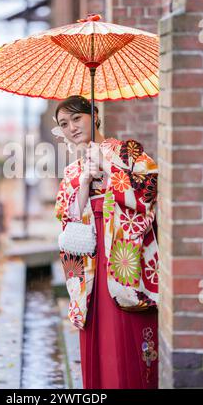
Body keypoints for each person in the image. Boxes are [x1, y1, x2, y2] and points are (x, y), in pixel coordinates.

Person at [53, 95, 159, 389]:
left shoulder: (128, 152)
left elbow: (150, 189)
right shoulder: (72, 170)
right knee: (96, 334)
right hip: (89, 260)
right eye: (64, 124)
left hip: (122, 257)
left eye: (77, 118)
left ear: (95, 115)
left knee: (125, 333)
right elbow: (67, 218)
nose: (71, 127)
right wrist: (85, 182)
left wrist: (110, 170)